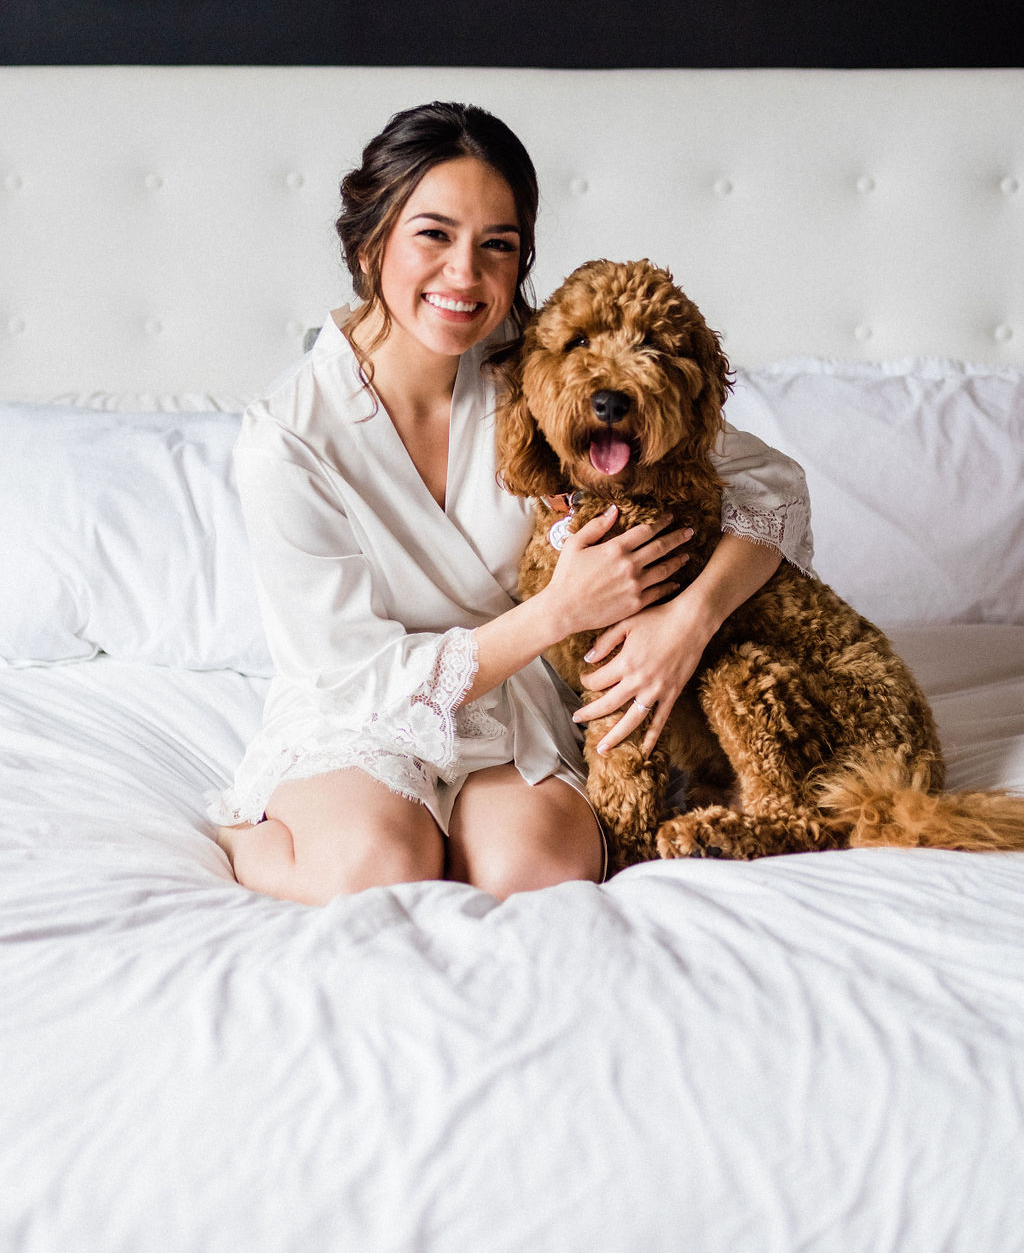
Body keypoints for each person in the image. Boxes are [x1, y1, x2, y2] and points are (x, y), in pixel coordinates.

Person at [208, 102, 814, 905]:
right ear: (369, 241)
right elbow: (351, 675)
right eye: (434, 234)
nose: (465, 274)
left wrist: (686, 620)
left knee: (536, 874)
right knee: (375, 869)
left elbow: (772, 484)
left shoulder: (544, 367)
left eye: (498, 246)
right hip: (360, 707)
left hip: (518, 694)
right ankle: (251, 828)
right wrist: (563, 610)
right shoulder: (286, 437)